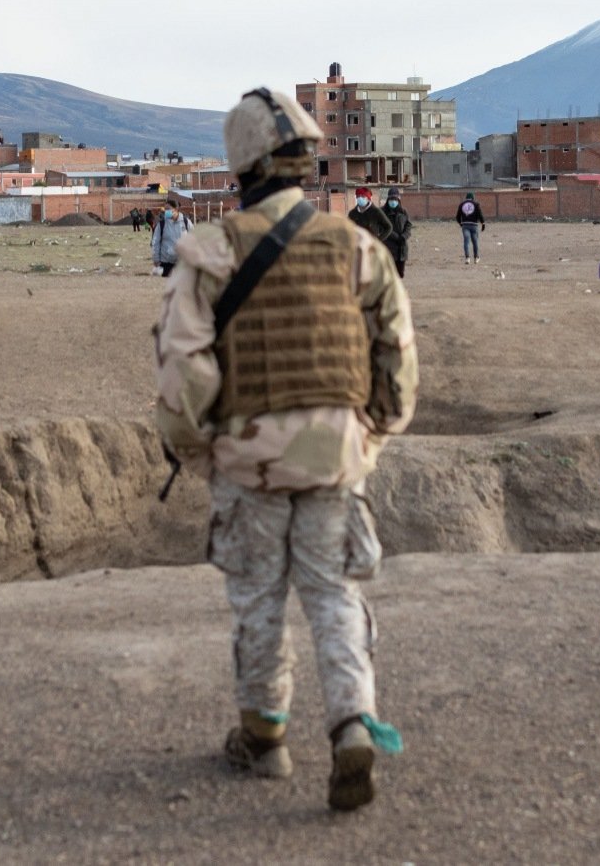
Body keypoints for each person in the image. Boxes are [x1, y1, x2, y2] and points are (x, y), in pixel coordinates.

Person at [153, 87, 417, 812]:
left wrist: (205, 452)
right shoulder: (358, 247)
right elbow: (397, 363)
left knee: (259, 598)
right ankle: (352, 723)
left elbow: (183, 376)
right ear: (304, 162)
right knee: (334, 593)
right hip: (335, 456)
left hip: (248, 460)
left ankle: (265, 739)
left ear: (239, 166)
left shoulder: (209, 250)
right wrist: (367, 438)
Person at [151, 197, 192, 277]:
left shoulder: (186, 223)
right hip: (166, 263)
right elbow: (155, 242)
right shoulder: (162, 224)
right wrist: (156, 259)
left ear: (176, 209)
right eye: (165, 209)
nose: (166, 211)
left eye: (168, 209)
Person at [382, 188, 413, 278]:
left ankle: (397, 290)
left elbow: (408, 225)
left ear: (398, 199)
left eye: (395, 199)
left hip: (402, 248)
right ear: (388, 199)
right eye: (391, 199)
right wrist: (396, 237)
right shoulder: (383, 212)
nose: (393, 201)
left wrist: (404, 236)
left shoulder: (403, 211)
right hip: (389, 246)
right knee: (389, 273)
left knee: (400, 274)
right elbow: (383, 227)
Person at [455, 191, 486, 264]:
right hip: (474, 225)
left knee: (466, 241)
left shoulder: (461, 205)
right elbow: (480, 215)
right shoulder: (476, 204)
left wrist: (460, 223)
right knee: (475, 242)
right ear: (472, 198)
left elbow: (457, 216)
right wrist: (483, 223)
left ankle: (467, 258)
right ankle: (476, 258)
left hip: (465, 225)